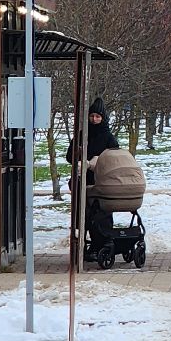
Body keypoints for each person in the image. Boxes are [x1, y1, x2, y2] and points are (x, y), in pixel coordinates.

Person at [71, 98, 122, 248]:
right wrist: (79, 156)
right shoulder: (82, 135)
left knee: (101, 213)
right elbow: (70, 156)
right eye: (92, 116)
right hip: (83, 181)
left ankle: (102, 242)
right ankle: (85, 242)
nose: (94, 119)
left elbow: (114, 157)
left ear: (103, 118)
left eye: (98, 117)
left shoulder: (108, 137)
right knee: (84, 213)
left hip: (102, 181)